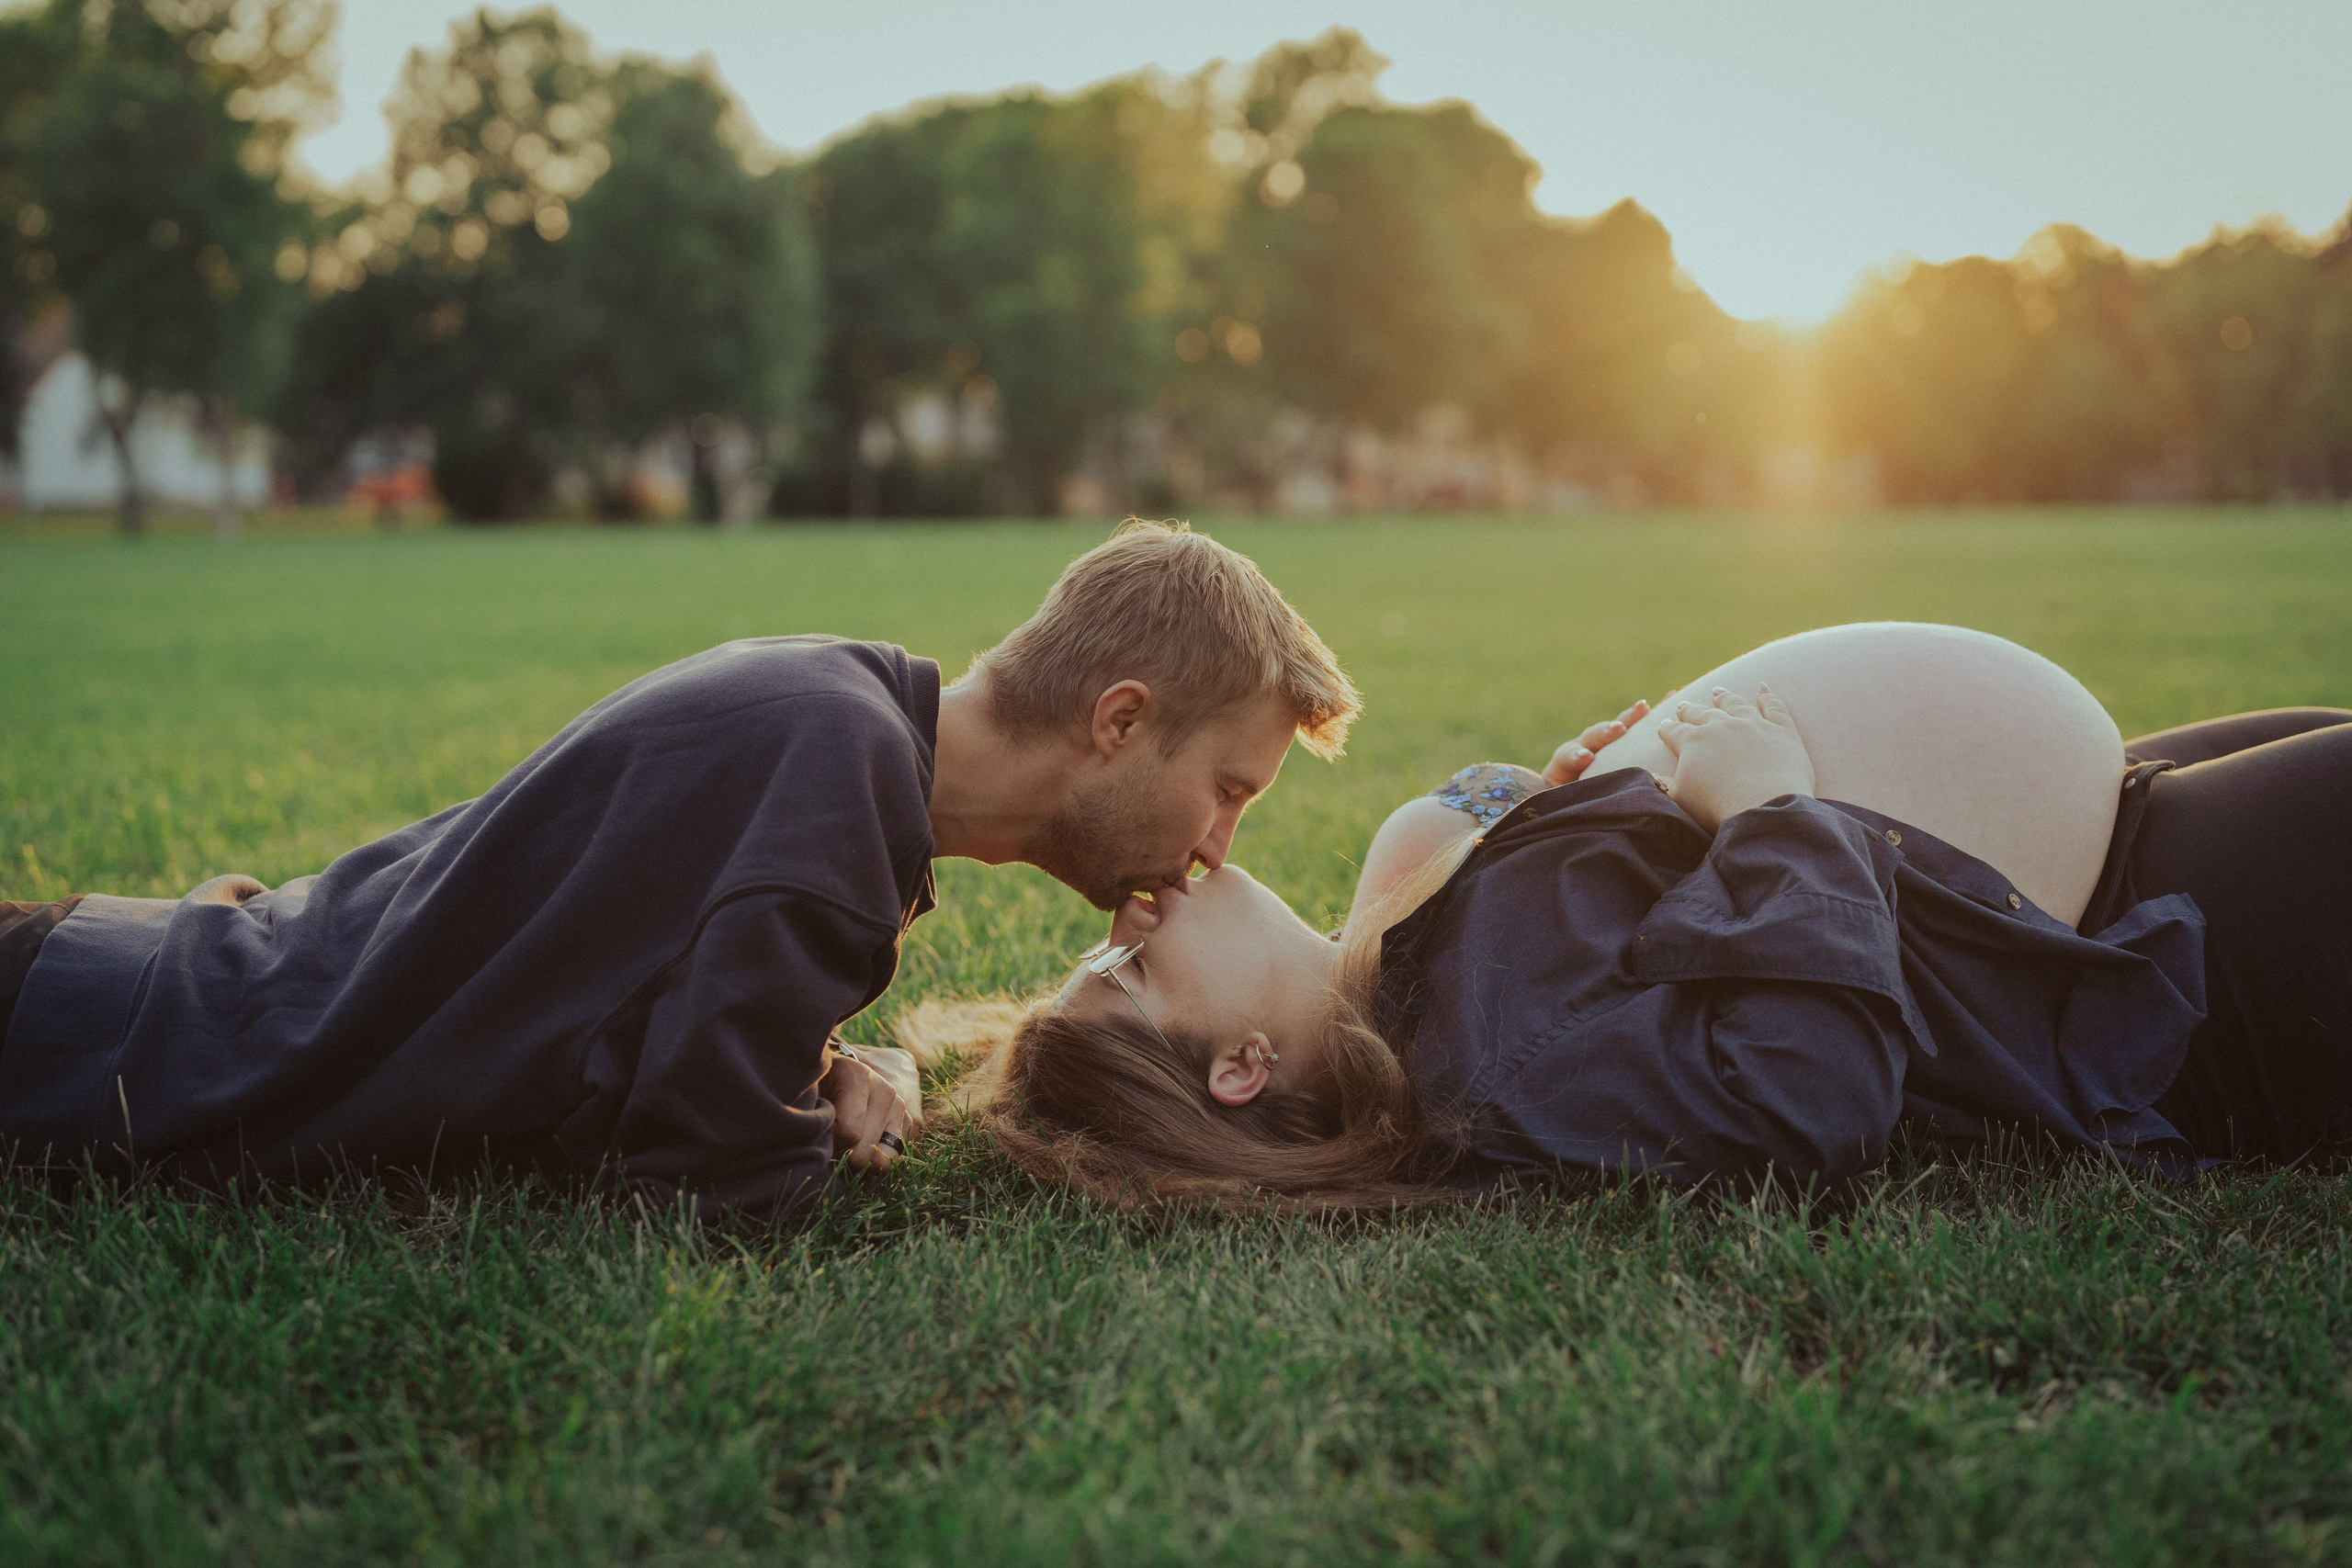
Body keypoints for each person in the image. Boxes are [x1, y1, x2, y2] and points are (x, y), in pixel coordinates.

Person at [0, 522, 1360, 1221]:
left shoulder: (842, 711)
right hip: (98, 1044)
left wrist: (830, 1058)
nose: (1217, 845)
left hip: (132, 975)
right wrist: (848, 1093)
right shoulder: (832, 823)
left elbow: (637, 1030)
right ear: (1117, 722)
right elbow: (713, 1189)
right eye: (1228, 789)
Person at [936, 622, 2352, 1207]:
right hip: (2147, 956)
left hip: (2098, 829)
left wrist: (1584, 798)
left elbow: (1604, 919)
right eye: (1120, 977)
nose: (1120, 923)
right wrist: (1768, 813)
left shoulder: (1395, 957)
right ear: (1238, 1070)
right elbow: (1807, 1094)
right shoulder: (1494, 1073)